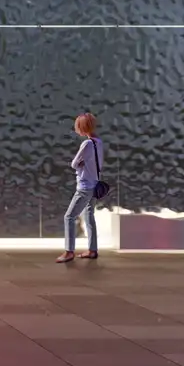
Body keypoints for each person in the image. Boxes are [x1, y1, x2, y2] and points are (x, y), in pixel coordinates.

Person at [60, 111, 104, 263]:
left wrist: (80, 164)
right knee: (89, 216)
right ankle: (92, 250)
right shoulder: (98, 142)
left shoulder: (86, 144)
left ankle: (69, 251)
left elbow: (74, 163)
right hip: (95, 184)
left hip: (84, 185)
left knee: (69, 217)